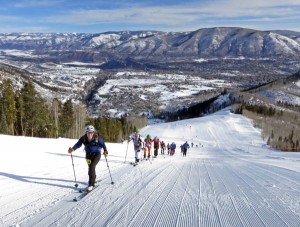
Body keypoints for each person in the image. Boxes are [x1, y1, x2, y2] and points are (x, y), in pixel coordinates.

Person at [68, 125, 108, 191]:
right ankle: (93, 179)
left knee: (92, 167)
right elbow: (78, 144)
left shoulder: (97, 138)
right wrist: (72, 149)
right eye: (89, 133)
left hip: (97, 154)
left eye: (91, 132)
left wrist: (106, 151)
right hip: (88, 155)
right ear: (86, 132)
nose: (90, 134)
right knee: (91, 168)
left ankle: (91, 184)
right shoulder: (83, 138)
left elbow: (103, 144)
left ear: (93, 132)